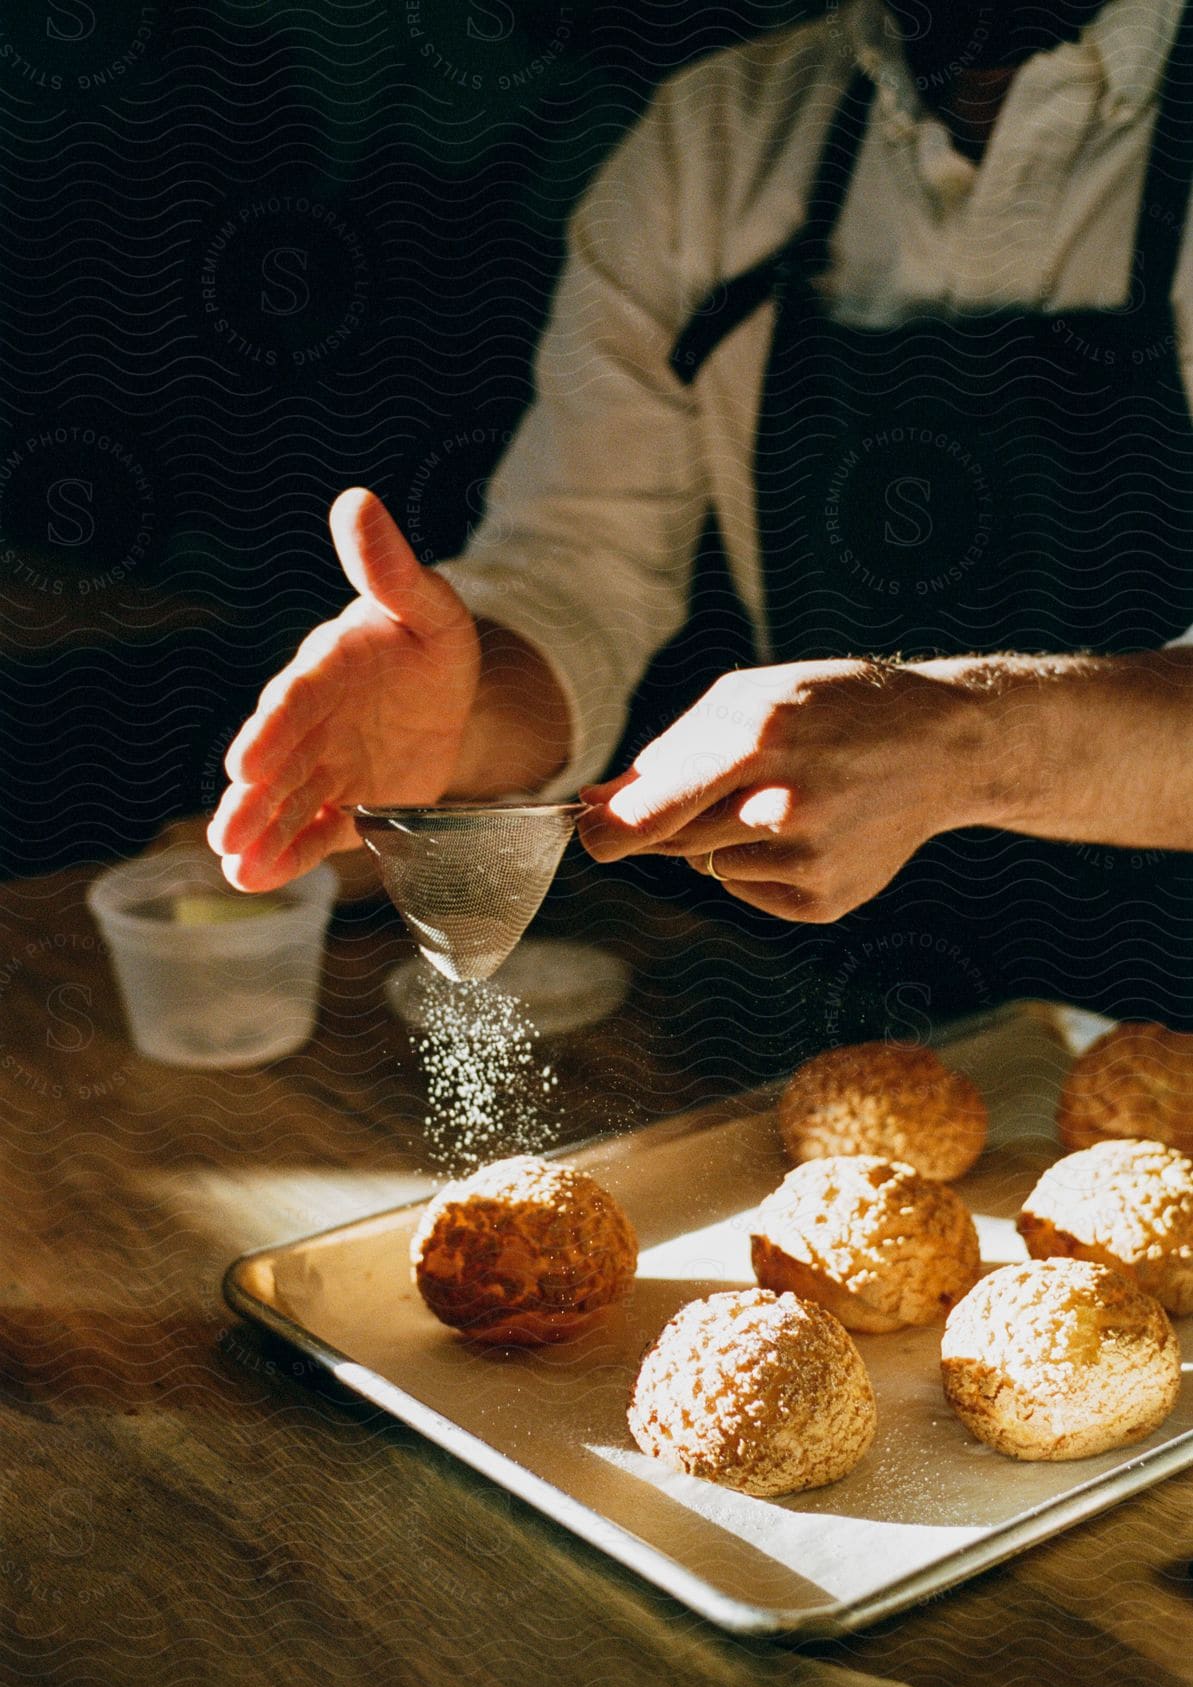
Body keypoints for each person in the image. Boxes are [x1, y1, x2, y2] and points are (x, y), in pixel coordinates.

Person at [210, 0, 1193, 1040]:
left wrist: (965, 741)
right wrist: (474, 711)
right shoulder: (721, 136)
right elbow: (577, 566)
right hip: (862, 1004)